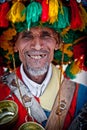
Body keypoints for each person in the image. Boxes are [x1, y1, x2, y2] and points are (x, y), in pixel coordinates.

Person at [0, 1, 87, 130]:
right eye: (27, 36)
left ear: (57, 43)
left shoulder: (82, 96)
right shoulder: (2, 91)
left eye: (46, 35)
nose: (37, 46)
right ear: (15, 45)